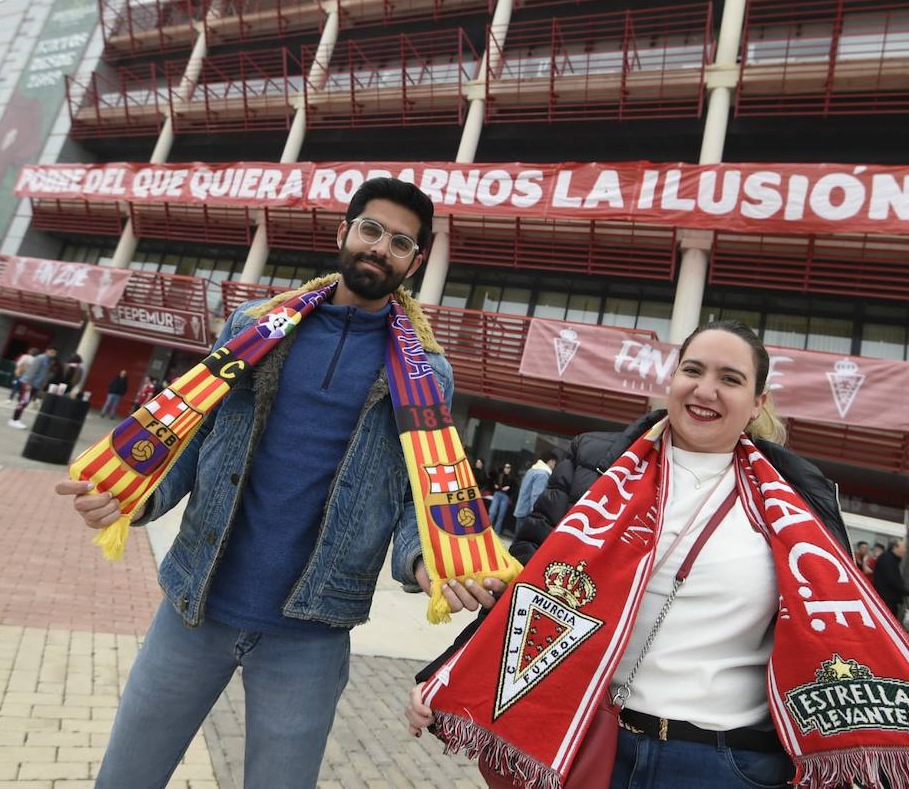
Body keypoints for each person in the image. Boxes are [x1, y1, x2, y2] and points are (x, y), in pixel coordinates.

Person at [55, 178, 499, 789]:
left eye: (400, 242)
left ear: (415, 262)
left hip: (310, 633)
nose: (380, 249)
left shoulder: (428, 373)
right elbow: (195, 429)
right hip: (195, 605)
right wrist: (137, 495)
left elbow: (415, 490)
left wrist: (426, 558)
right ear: (343, 232)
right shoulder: (257, 327)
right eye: (371, 230)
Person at [407, 320, 909, 788]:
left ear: (756, 403)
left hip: (725, 764)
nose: (706, 390)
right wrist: (445, 675)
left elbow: (854, 636)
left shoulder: (802, 498)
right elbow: (525, 590)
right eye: (693, 370)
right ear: (672, 379)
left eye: (730, 379)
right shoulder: (595, 461)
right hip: (590, 742)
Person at [8, 346, 56, 429]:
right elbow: (32, 370)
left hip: (36, 385)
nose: (53, 354)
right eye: (52, 352)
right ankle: (14, 420)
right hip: (29, 383)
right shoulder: (40, 358)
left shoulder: (49, 361)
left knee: (25, 402)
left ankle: (15, 420)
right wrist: (28, 383)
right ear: (47, 351)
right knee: (23, 401)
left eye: (54, 353)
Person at [512, 450, 556, 528]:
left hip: (521, 509)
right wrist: (536, 515)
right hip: (529, 514)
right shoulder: (542, 474)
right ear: (550, 461)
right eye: (554, 463)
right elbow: (536, 495)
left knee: (518, 538)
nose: (554, 466)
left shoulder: (531, 470)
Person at [874, 539, 909, 615]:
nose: (905, 550)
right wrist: (908, 592)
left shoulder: (892, 559)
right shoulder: (888, 560)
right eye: (904, 547)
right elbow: (893, 579)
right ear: (895, 547)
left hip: (887, 599)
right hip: (885, 600)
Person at [488, 462, 516, 536]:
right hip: (497, 494)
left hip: (505, 496)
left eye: (508, 468)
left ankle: (497, 532)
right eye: (506, 467)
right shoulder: (499, 475)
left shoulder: (512, 478)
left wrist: (509, 488)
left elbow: (514, 489)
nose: (507, 469)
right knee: (492, 512)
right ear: (503, 468)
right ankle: (487, 529)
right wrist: (495, 485)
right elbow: (491, 475)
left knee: (501, 514)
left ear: (510, 469)